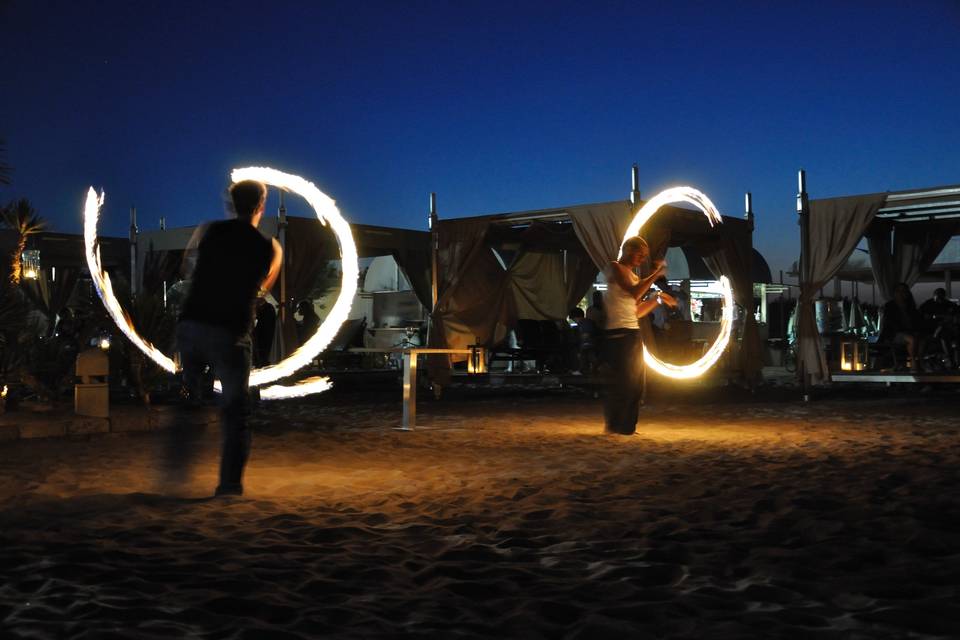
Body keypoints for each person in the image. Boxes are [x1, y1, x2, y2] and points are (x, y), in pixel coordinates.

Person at [173, 180, 282, 496]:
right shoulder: (269, 247)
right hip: (229, 332)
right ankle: (229, 485)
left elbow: (186, 270)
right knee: (236, 411)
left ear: (230, 204)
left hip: (191, 325)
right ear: (262, 205)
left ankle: (177, 449)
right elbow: (263, 291)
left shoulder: (210, 231)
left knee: (189, 394)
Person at [601, 236, 677, 435]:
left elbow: (636, 311)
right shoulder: (615, 267)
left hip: (632, 332)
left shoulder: (634, 277)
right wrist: (656, 274)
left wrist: (657, 299)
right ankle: (615, 425)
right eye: (640, 254)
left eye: (644, 256)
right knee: (626, 381)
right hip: (618, 334)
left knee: (637, 383)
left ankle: (626, 427)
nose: (642, 259)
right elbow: (634, 293)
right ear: (628, 250)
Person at [879, 282, 923, 371]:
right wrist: (906, 331)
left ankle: (921, 362)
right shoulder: (890, 306)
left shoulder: (910, 307)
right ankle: (914, 362)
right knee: (911, 339)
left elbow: (917, 321)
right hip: (894, 333)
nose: (901, 294)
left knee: (922, 339)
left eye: (904, 291)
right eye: (899, 291)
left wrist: (917, 330)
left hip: (909, 332)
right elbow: (890, 323)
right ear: (895, 293)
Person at [919, 287, 958, 367]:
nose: (939, 298)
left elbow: (955, 314)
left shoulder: (949, 304)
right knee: (944, 335)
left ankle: (952, 360)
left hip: (947, 328)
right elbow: (921, 315)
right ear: (934, 295)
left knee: (947, 333)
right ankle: (951, 360)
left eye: (941, 296)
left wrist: (949, 319)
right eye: (938, 295)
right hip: (931, 329)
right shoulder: (928, 304)